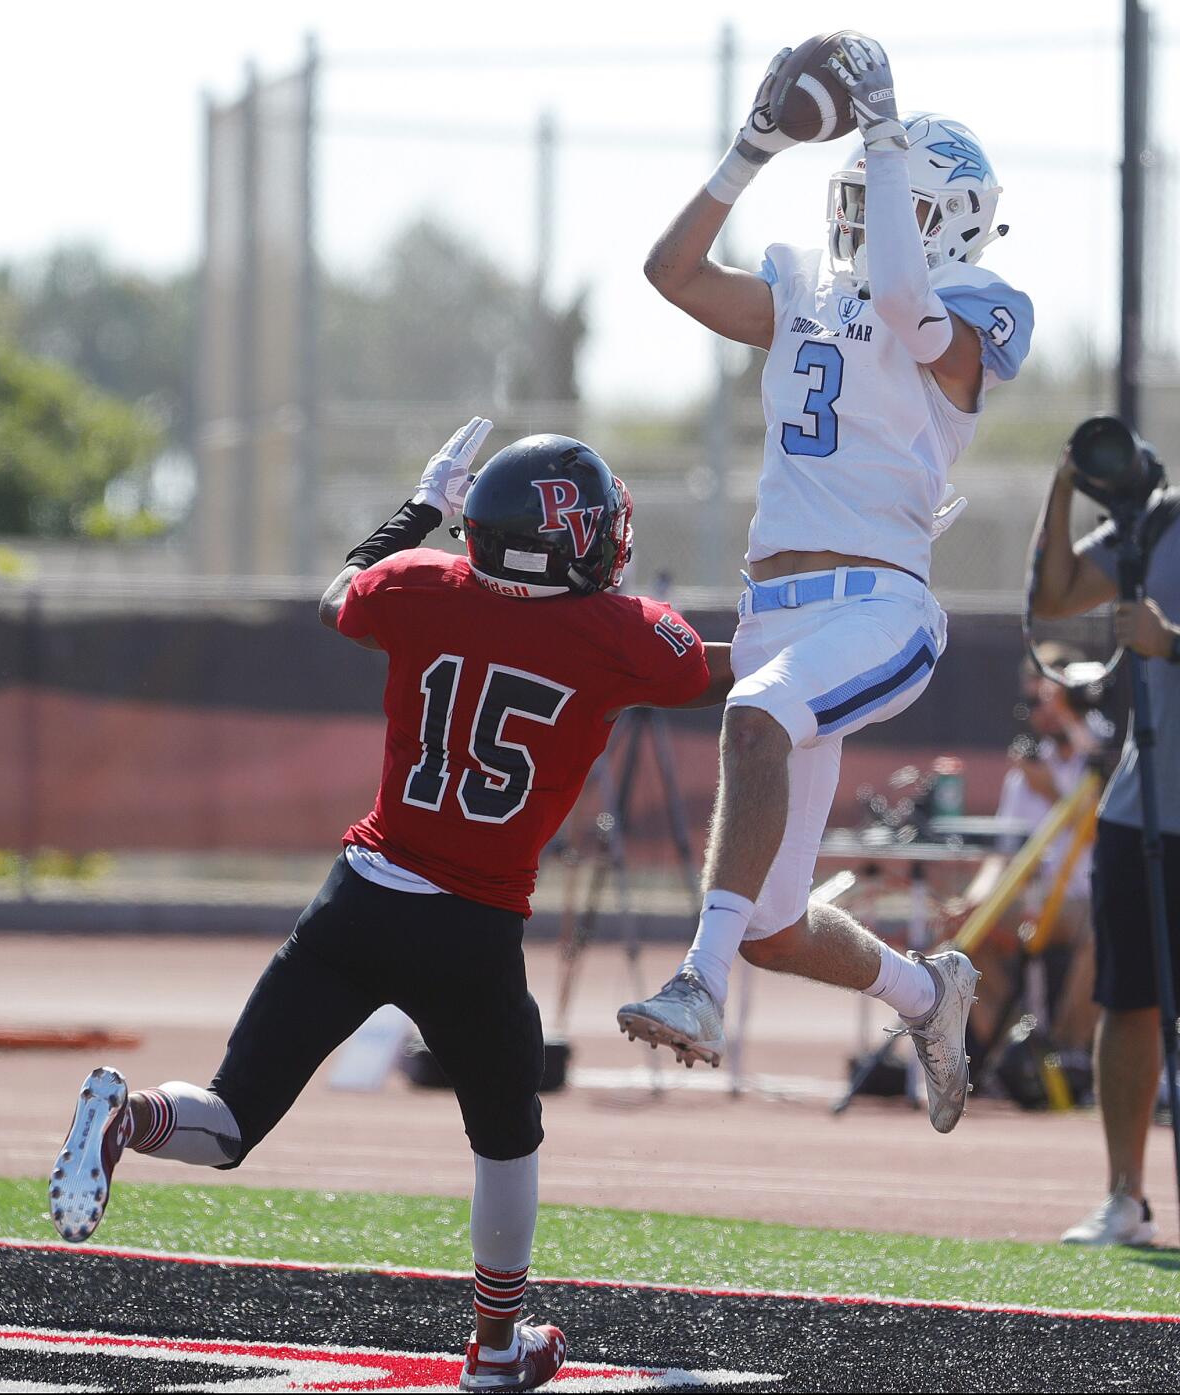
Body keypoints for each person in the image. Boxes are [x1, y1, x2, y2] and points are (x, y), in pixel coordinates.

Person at [49, 420, 732, 1392]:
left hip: (357, 901)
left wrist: (421, 509)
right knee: (507, 1138)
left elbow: (340, 593)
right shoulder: (616, 636)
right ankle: (497, 1346)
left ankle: (133, 1119)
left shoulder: (424, 587)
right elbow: (727, 675)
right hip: (471, 928)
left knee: (231, 1119)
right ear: (575, 539)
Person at [617, 33, 1033, 1135]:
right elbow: (669, 274)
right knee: (775, 922)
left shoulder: (985, 303)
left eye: (883, 188)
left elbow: (906, 298)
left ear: (945, 211)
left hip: (880, 608)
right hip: (778, 618)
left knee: (755, 720)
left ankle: (699, 986)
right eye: (856, 186)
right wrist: (750, 150)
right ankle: (927, 993)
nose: (859, 209)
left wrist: (889, 131)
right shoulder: (804, 287)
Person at [1032, 446, 1180, 1246]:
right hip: (1145, 804)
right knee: (1128, 1000)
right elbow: (1054, 595)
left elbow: (1161, 639)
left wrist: (1173, 643)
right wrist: (1062, 488)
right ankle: (1125, 1195)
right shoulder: (1157, 522)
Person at [951, 648, 1101, 1057]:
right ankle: (1014, 1055)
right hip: (1035, 900)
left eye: (1050, 699)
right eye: (1033, 702)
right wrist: (976, 900)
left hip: (1086, 902)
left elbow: (1101, 833)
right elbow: (1003, 853)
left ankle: (1069, 1056)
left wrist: (1051, 790)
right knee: (961, 937)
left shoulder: (1100, 760)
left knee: (1106, 935)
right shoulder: (1025, 774)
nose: (1042, 712)